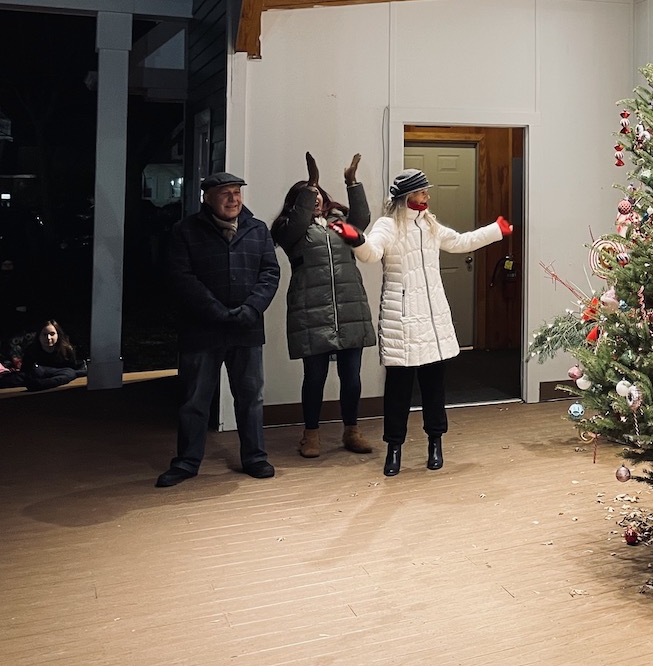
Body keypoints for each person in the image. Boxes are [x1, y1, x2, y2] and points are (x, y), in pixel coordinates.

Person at [354, 168, 511, 476]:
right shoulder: (388, 225)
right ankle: (394, 449)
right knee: (398, 391)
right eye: (422, 190)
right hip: (403, 321)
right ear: (407, 196)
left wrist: (495, 230)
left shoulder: (429, 224)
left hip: (433, 320)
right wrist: (357, 240)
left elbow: (461, 242)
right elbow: (371, 253)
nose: (427, 195)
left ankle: (435, 443)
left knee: (434, 389)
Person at [156, 172, 281, 488]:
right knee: (194, 400)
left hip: (247, 328)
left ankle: (255, 457)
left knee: (250, 398)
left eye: (237, 192)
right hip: (201, 330)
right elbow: (181, 278)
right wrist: (216, 311)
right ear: (207, 198)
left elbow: (270, 274)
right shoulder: (185, 231)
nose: (233, 199)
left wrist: (251, 309)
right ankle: (186, 462)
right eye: (225, 193)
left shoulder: (258, 230)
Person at [270, 152, 377, 459]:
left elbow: (362, 220)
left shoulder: (340, 225)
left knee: (351, 377)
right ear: (298, 202)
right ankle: (311, 435)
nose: (315, 198)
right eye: (309, 195)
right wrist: (311, 183)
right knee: (314, 377)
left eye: (318, 193)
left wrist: (352, 182)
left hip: (349, 308)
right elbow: (295, 225)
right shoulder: (289, 229)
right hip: (311, 311)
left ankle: (352, 431)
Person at [17, 320, 86, 391]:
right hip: (38, 375)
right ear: (39, 336)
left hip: (60, 375)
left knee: (70, 373)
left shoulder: (67, 349)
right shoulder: (31, 350)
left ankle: (40, 385)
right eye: (44, 334)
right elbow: (25, 371)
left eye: (52, 334)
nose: (48, 338)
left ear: (58, 335)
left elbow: (74, 369)